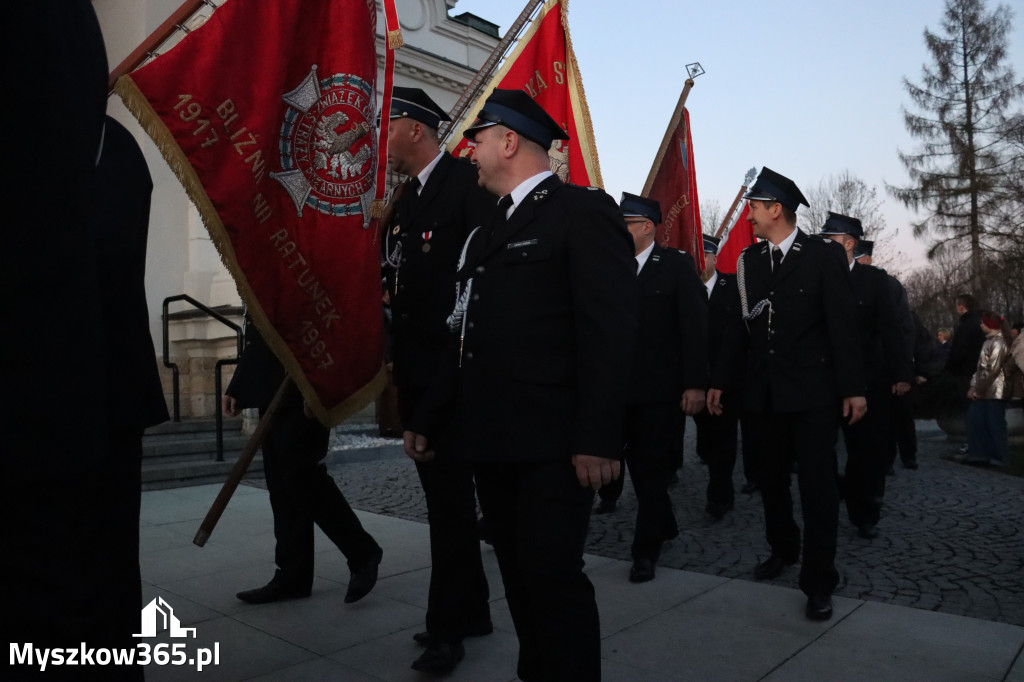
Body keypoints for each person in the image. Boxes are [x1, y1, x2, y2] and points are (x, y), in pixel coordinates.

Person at [404, 89, 637, 682]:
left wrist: (599, 437)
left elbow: (608, 334)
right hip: (493, 440)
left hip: (556, 445)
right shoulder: (484, 236)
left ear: (508, 141)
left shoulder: (583, 213)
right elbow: (464, 336)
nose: (470, 153)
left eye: (477, 140)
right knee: (517, 575)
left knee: (552, 579)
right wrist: (430, 418)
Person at [708, 167, 865, 622]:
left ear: (775, 209)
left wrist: (853, 388)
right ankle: (783, 547)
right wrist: (720, 379)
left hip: (814, 394)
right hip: (763, 394)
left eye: (754, 208)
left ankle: (819, 581)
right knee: (770, 481)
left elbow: (842, 326)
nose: (749, 217)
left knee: (817, 488)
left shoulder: (821, 257)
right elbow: (740, 330)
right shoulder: (748, 262)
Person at [382, 87, 493, 674]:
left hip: (456, 377)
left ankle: (449, 628)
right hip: (422, 374)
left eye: (390, 126)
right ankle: (472, 608)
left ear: (417, 130)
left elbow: (474, 292)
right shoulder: (410, 199)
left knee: (450, 508)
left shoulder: (464, 187)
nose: (384, 140)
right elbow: (405, 291)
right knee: (442, 502)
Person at [223, 319, 383, 605]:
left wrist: (319, 387)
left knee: (301, 475)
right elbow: (261, 328)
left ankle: (361, 550)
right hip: (272, 387)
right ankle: (292, 574)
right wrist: (240, 383)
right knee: (281, 485)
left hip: (305, 384)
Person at [607, 192, 707, 582]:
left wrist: (695, 384)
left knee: (650, 469)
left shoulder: (676, 267)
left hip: (659, 392)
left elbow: (696, 330)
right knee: (628, 463)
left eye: (625, 224)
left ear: (646, 227)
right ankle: (664, 522)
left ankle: (645, 550)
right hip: (616, 389)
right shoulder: (610, 266)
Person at [821, 213, 912, 539]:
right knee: (817, 450)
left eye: (829, 240)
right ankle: (834, 495)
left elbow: (892, 331)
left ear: (849, 243)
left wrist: (902, 373)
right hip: (825, 380)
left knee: (868, 453)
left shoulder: (875, 281)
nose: (823, 246)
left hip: (868, 381)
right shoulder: (816, 278)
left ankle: (866, 512)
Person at [696, 234, 747, 519]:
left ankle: (720, 496)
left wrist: (722, 380)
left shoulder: (732, 288)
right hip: (692, 378)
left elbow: (737, 339)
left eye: (707, 255)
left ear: (716, 257)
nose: (702, 261)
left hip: (726, 380)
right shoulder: (686, 286)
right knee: (705, 439)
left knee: (723, 442)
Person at [964, 312, 1013, 467]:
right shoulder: (989, 341)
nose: (980, 325)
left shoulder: (999, 343)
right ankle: (979, 454)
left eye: (983, 323)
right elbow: (980, 368)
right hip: (984, 389)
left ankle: (998, 457)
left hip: (995, 391)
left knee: (994, 423)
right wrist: (973, 386)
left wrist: (977, 389)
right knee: (977, 420)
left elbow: (992, 369)